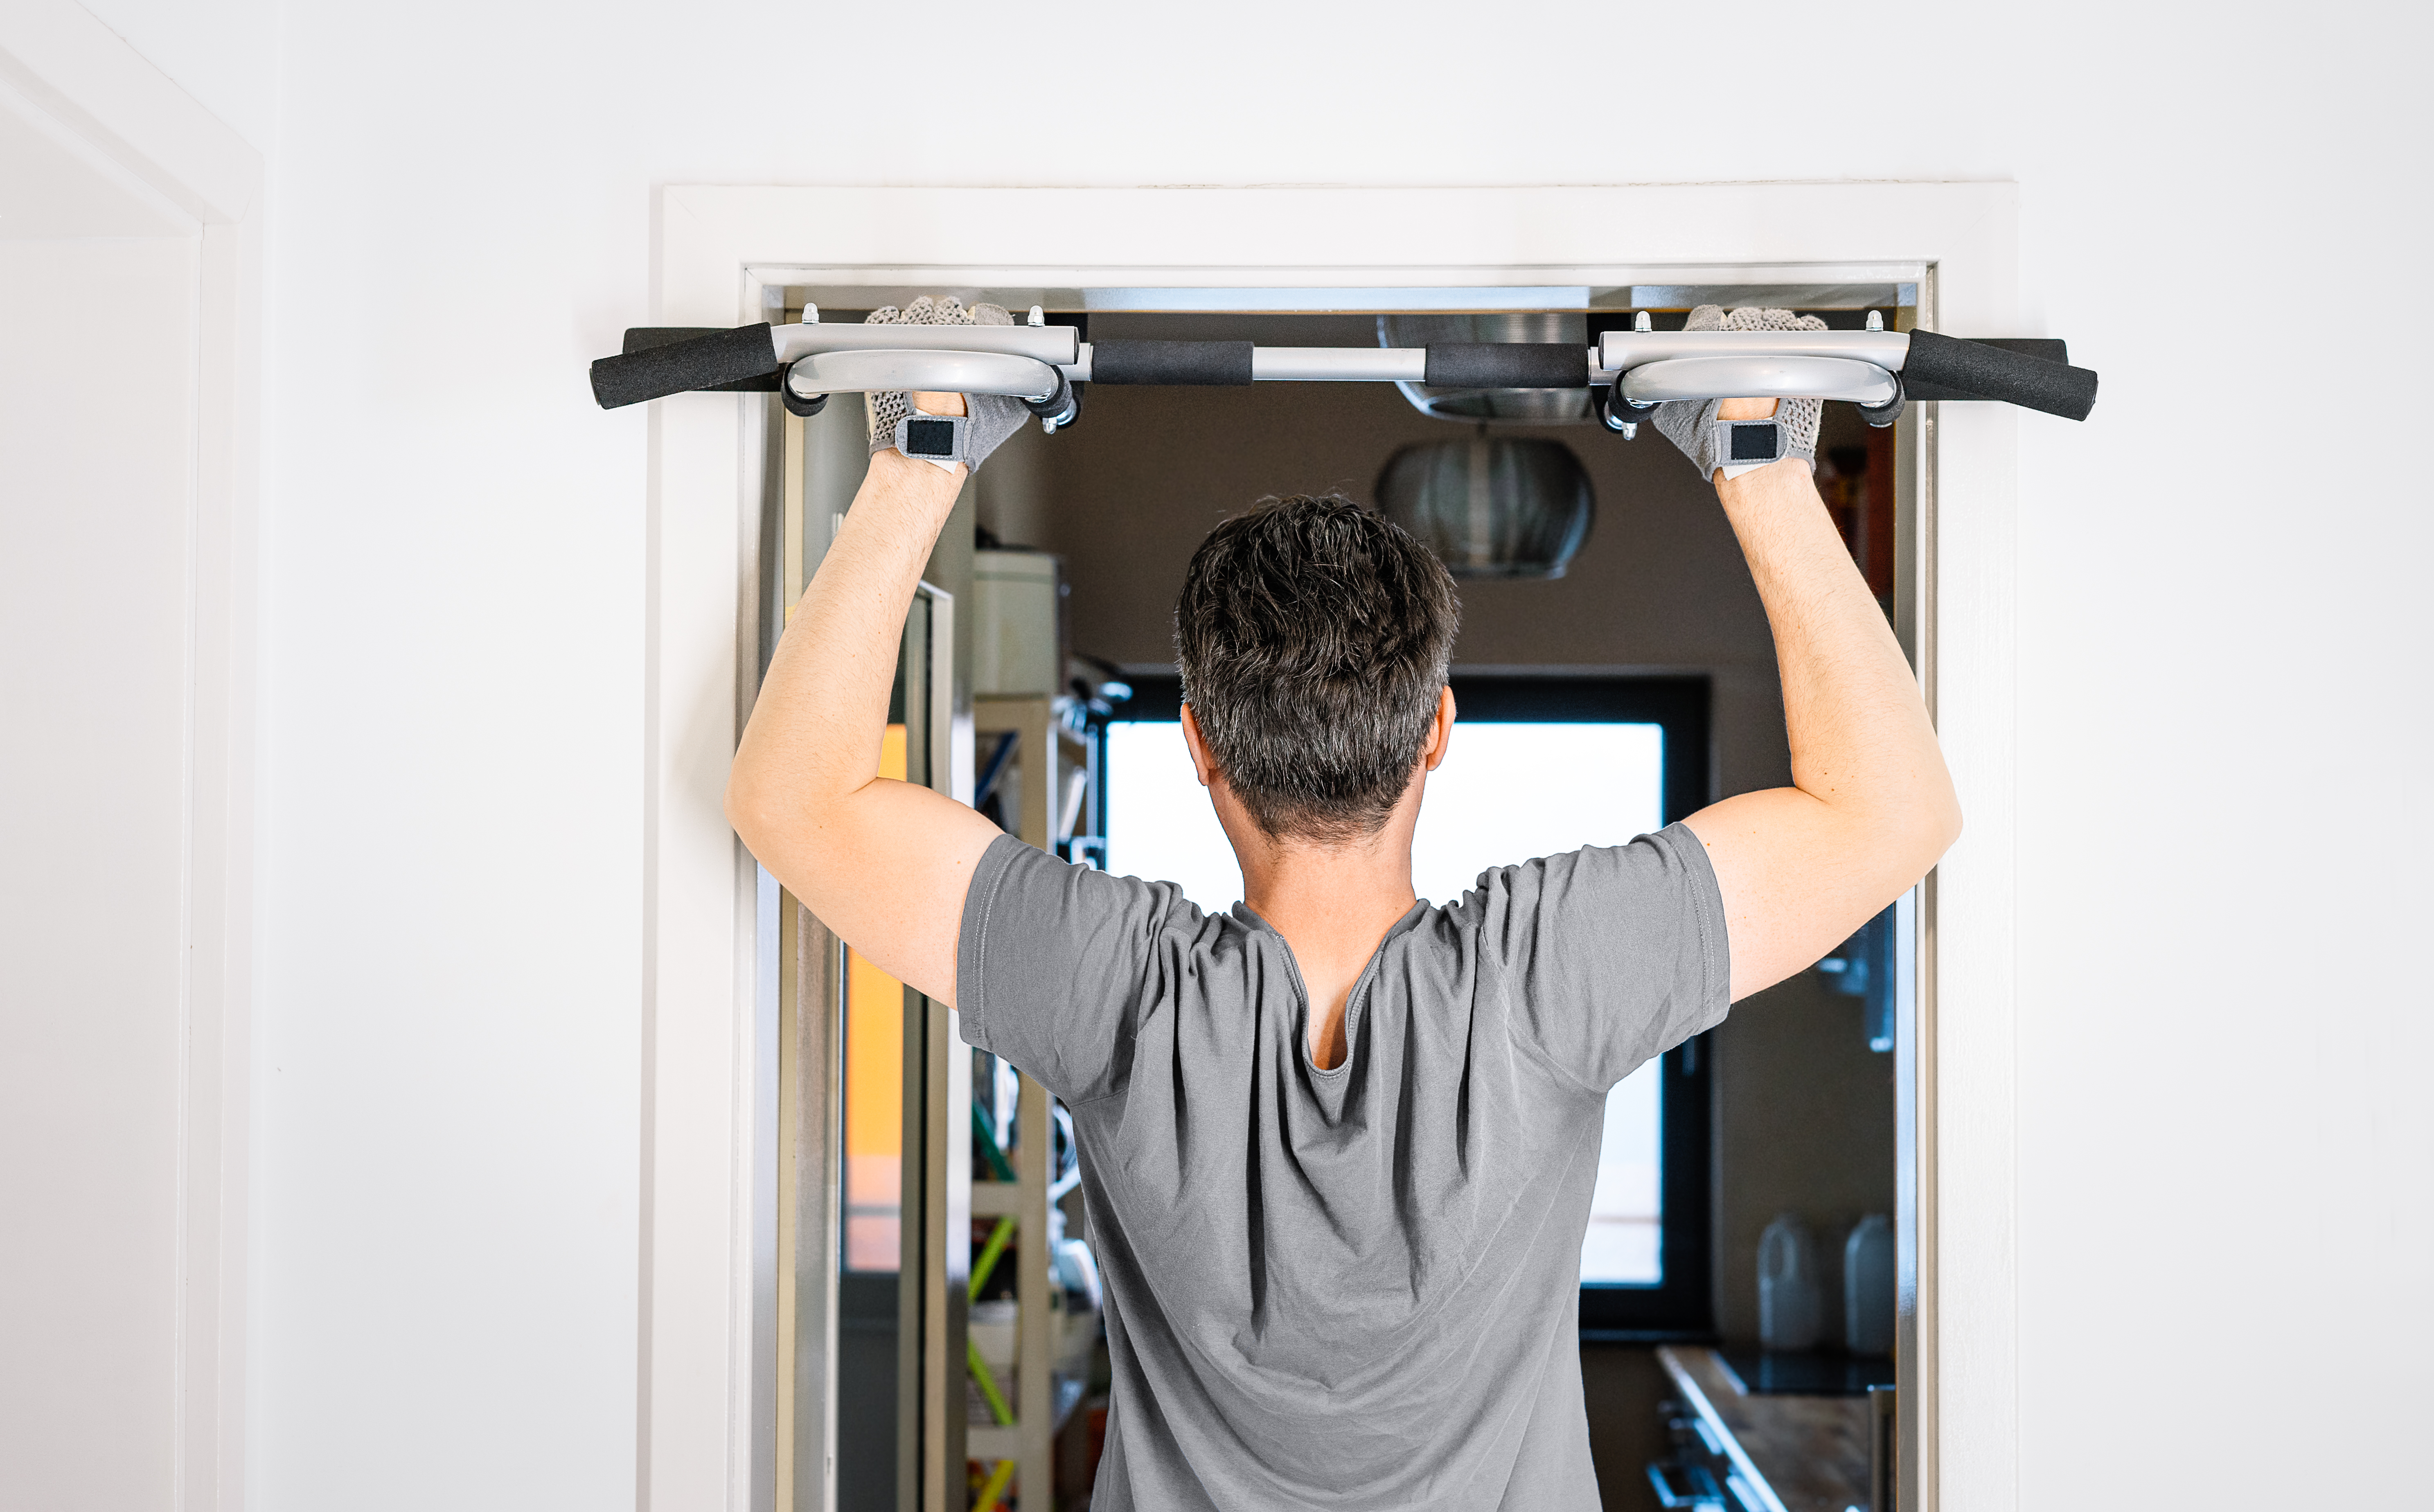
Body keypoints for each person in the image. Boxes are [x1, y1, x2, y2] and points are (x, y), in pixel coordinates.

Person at [726, 299, 1961, 1512]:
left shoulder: (1114, 984)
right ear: (1436, 735)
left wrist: (918, 451)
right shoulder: (1547, 974)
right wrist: (1758, 464)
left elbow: (795, 801)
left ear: (1197, 746)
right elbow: (1890, 818)